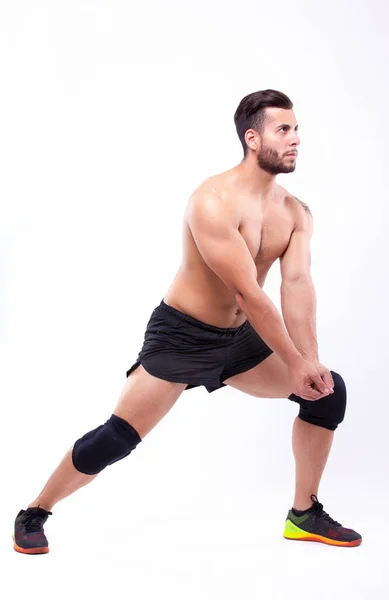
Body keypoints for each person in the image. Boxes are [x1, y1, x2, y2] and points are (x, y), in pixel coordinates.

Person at [13, 89, 362, 555]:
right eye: (284, 130)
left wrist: (309, 362)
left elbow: (296, 285)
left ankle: (304, 514)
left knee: (327, 392)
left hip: (239, 340)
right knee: (117, 438)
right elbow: (248, 292)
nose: (296, 139)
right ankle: (36, 510)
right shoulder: (212, 200)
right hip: (181, 335)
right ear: (253, 138)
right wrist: (293, 361)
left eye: (297, 128)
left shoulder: (295, 213)